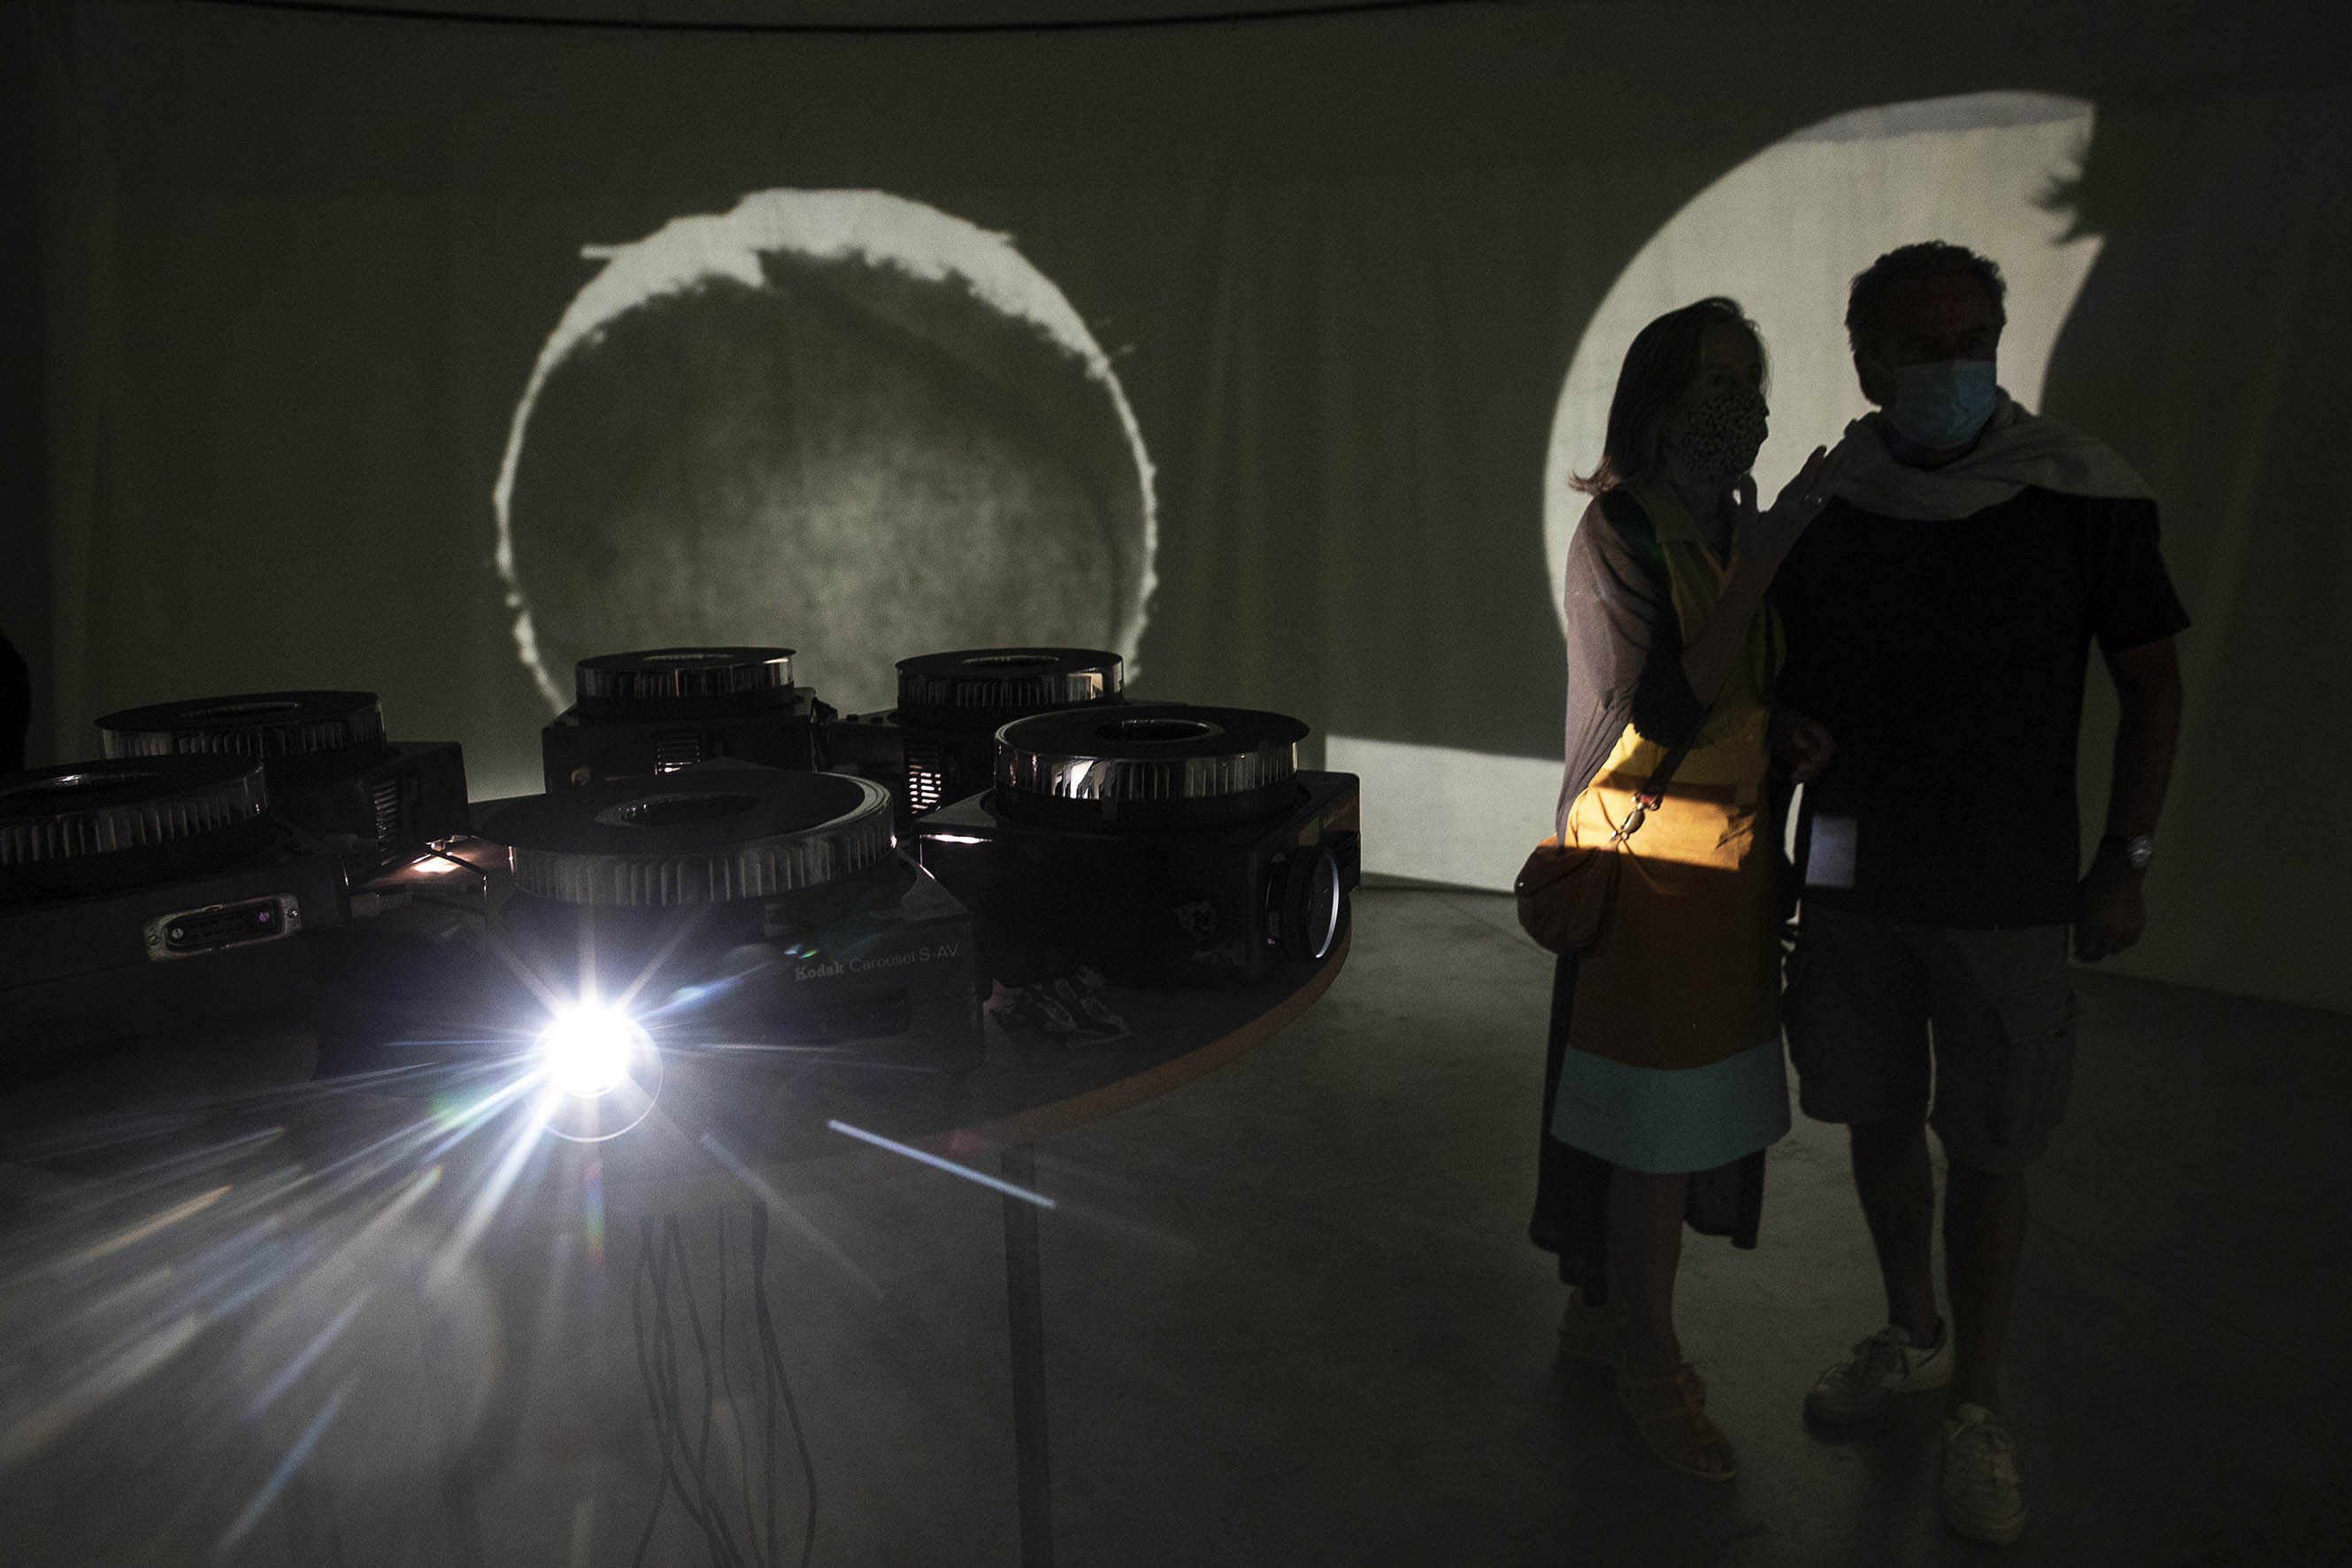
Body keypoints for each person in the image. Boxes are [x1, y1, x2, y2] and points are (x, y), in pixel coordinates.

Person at [1771, 242, 2188, 1545]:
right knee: (1874, 1111)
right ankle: (1911, 1332)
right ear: (1866, 362)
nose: (1951, 368)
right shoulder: (1831, 501)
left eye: (1972, 343)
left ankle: (1979, 1404)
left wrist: (2123, 861)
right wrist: (1782, 722)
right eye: (1921, 347)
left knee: (1995, 1143)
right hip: (1852, 875)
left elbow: (2152, 684)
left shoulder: (2080, 495)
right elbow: (1777, 668)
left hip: (2008, 889)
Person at [1529, 296, 1841, 1480]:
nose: (1738, 404)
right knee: (1653, 1129)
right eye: (1714, 380)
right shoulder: (1624, 528)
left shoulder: (1723, 531)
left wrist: (1788, 730)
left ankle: (1603, 1313)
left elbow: (1739, 694)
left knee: (1667, 1115)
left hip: (1727, 880)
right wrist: (1762, 567)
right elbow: (1661, 708)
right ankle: (1650, 1360)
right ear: (1658, 400)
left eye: (1747, 380)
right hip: (1651, 883)